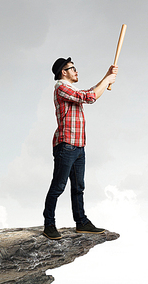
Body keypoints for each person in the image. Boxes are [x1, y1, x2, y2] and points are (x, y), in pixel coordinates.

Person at [43, 57, 118, 240]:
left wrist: (106, 76)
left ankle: (81, 222)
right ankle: (49, 225)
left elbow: (89, 92)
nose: (76, 71)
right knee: (58, 186)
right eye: (72, 68)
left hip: (78, 145)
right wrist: (107, 81)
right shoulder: (61, 87)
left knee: (78, 187)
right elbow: (89, 97)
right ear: (64, 72)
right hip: (66, 145)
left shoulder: (71, 88)